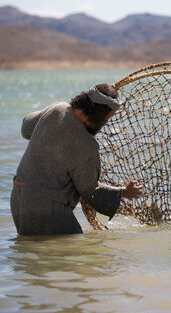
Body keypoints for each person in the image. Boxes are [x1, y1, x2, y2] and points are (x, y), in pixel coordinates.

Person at [10, 84, 143, 235]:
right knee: (74, 252)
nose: (106, 122)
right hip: (45, 208)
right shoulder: (86, 145)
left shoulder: (57, 108)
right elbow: (90, 191)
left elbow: (26, 128)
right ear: (99, 113)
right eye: (108, 116)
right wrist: (123, 192)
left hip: (18, 199)